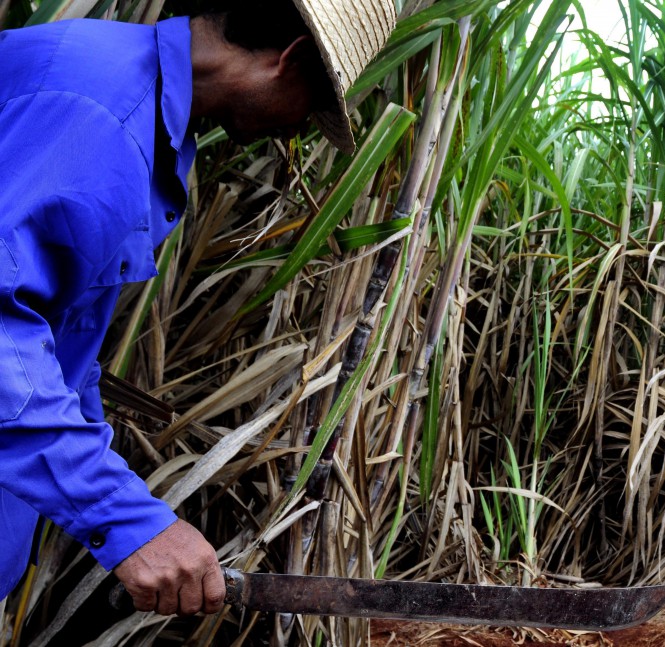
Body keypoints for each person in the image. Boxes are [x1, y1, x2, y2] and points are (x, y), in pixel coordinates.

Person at [0, 0, 395, 619]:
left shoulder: (135, 106)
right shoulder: (100, 114)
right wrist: (128, 522)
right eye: (308, 108)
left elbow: (59, 348)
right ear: (287, 61)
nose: (293, 132)